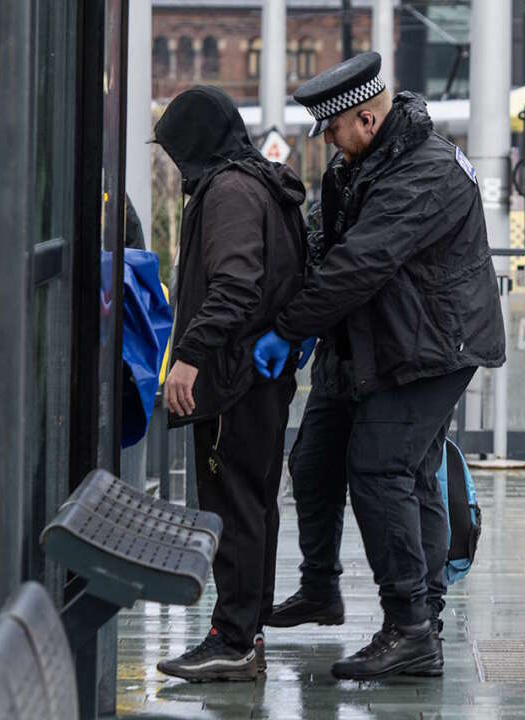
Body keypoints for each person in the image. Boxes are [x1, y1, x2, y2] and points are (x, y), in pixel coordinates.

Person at [252, 52, 506, 680]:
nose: (328, 144)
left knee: (385, 468)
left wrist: (289, 329)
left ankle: (413, 626)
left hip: (432, 347)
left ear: (366, 116)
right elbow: (324, 243)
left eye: (333, 129)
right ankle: (321, 588)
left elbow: (360, 263)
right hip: (370, 339)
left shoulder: (428, 173)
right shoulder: (357, 164)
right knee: (314, 458)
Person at [152, 86, 308, 682]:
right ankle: (246, 629)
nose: (173, 164)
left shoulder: (230, 192)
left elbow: (236, 285)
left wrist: (189, 357)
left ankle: (234, 639)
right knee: (254, 502)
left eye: (175, 150)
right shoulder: (261, 182)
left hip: (230, 378)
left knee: (233, 505)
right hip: (259, 376)